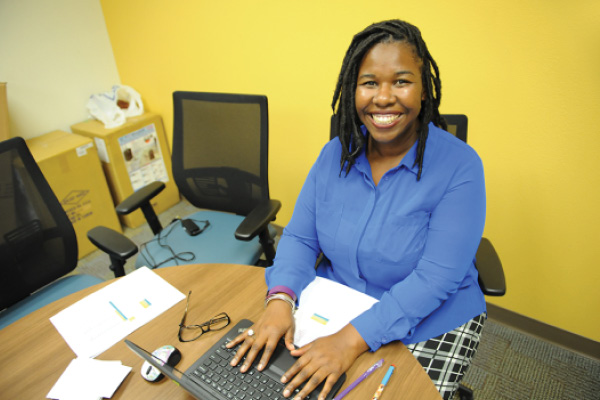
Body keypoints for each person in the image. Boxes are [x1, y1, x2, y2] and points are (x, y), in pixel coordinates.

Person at [227, 19, 487, 400]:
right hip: (341, 299)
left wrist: (349, 341)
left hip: (432, 318)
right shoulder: (335, 154)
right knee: (273, 383)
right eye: (369, 83)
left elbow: (435, 280)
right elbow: (300, 236)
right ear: (353, 91)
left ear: (424, 90)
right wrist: (281, 299)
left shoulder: (460, 166)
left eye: (401, 81)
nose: (383, 98)